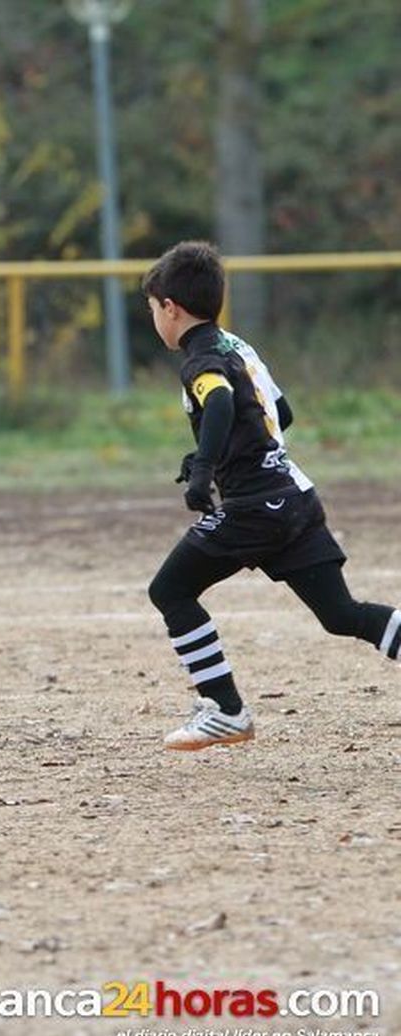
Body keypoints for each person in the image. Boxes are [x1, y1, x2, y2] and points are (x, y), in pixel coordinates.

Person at [142, 241, 401, 751]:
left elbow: (218, 402)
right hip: (294, 494)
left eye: (153, 310)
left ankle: (225, 710)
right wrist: (215, 456)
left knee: (169, 590)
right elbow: (278, 414)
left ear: (170, 308)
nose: (154, 320)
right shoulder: (238, 346)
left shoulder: (199, 362)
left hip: (256, 507)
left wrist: (206, 471)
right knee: (342, 615)